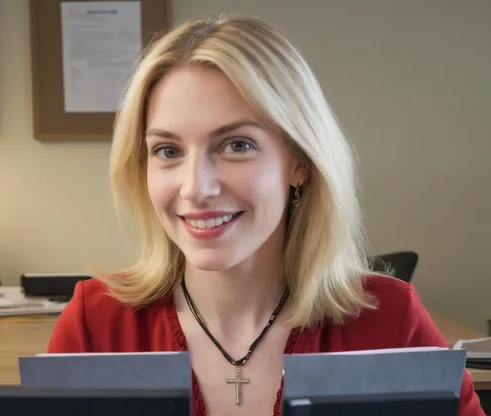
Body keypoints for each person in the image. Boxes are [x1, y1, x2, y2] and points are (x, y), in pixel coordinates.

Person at [47, 15, 485, 416]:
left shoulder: (391, 322)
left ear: (299, 161)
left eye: (236, 145)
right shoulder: (94, 326)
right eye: (168, 150)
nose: (196, 187)